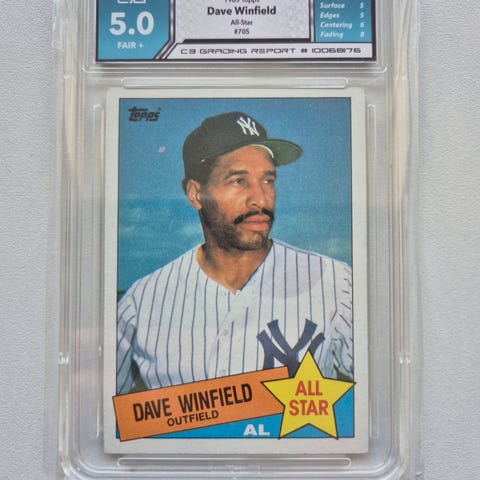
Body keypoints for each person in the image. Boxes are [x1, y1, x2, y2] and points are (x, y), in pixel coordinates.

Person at [117, 111, 353, 394]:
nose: (260, 199)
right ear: (196, 194)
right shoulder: (142, 302)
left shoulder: (337, 285)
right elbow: (97, 406)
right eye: (239, 181)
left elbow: (381, 396)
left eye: (268, 180)